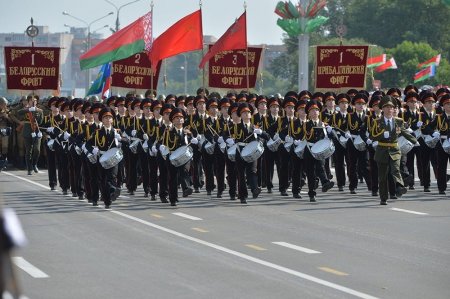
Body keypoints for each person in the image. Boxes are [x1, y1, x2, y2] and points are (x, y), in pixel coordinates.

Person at [371, 96, 417, 205]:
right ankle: (383, 198)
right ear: (382, 109)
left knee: (396, 170)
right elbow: (372, 136)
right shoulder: (377, 121)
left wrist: (415, 141)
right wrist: (382, 134)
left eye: (391, 107)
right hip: (382, 150)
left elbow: (405, 132)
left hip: (394, 149)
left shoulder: (398, 121)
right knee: (382, 177)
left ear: (393, 109)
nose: (389, 109)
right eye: (386, 107)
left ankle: (400, 186)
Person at [86, 107, 121, 209]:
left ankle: (111, 193)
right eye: (105, 117)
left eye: (110, 117)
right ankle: (107, 200)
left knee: (112, 177)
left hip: (114, 159)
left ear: (112, 119)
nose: (108, 119)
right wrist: (93, 150)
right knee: (103, 180)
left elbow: (126, 142)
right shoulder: (97, 132)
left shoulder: (116, 132)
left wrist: (121, 140)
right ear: (102, 119)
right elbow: (88, 144)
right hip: (101, 158)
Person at [16, 95, 43, 175]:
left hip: (36, 131)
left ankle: (34, 164)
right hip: (27, 131)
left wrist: (36, 115)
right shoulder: (26, 109)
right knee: (29, 151)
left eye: (35, 100)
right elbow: (18, 113)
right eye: (31, 100)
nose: (33, 101)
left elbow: (41, 121)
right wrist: (28, 109)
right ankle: (29, 168)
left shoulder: (40, 110)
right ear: (28, 101)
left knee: (37, 150)